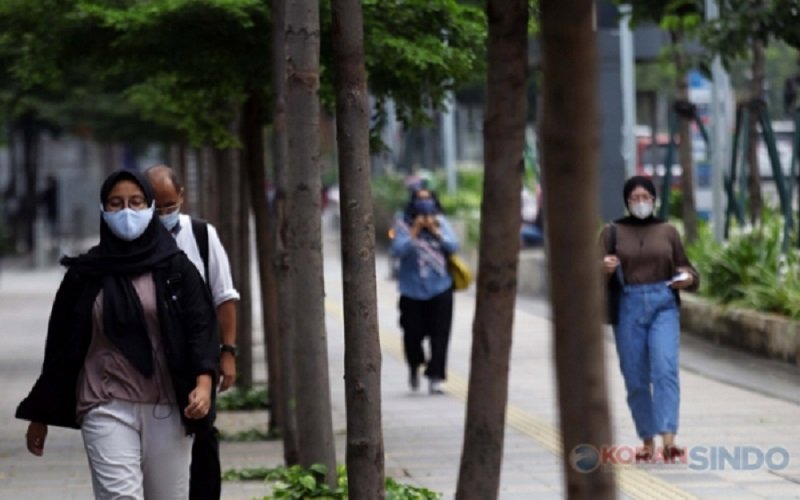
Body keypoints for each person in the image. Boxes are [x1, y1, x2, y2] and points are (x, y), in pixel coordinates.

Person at [16, 169, 219, 499]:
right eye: (116, 203)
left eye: (136, 202)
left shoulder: (176, 269)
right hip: (104, 403)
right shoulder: (84, 275)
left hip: (168, 406)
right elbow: (59, 348)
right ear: (103, 210)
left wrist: (204, 383)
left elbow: (201, 328)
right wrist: (41, 414)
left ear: (150, 207)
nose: (127, 211)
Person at [145, 164, 239, 500]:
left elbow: (224, 296)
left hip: (197, 357)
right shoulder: (130, 243)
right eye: (156, 207)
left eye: (169, 206)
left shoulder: (201, 234)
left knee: (201, 435)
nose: (163, 214)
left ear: (182, 196)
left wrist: (227, 353)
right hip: (149, 364)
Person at [600, 176, 699, 463]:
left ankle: (669, 439)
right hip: (627, 305)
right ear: (627, 201)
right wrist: (603, 268)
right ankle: (647, 440)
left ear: (654, 200)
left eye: (646, 197)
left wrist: (687, 278)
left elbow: (687, 267)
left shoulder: (667, 230)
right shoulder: (612, 232)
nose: (641, 202)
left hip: (663, 304)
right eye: (635, 197)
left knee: (665, 368)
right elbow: (588, 271)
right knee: (635, 376)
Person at [390, 188, 459, 394]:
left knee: (440, 334)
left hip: (440, 287)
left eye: (428, 199)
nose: (424, 204)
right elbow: (397, 250)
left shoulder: (441, 222)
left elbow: (454, 246)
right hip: (411, 290)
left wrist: (436, 232)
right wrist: (414, 231)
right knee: (412, 334)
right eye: (420, 200)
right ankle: (414, 365)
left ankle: (436, 376)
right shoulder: (403, 224)